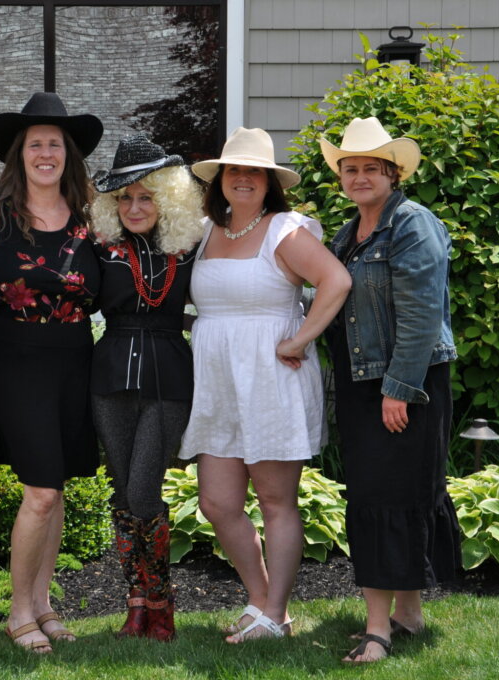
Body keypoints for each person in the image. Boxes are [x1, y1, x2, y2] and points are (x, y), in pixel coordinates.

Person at [178, 127, 352, 643]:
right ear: (221, 179)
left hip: (272, 378)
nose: (244, 179)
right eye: (236, 170)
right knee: (217, 502)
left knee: (276, 501)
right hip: (218, 381)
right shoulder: (207, 230)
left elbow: (336, 281)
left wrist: (299, 340)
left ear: (270, 181)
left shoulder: (285, 230)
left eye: (255, 171)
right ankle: (259, 598)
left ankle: (275, 612)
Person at [319, 117, 461, 663]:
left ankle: (377, 630)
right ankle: (407, 613)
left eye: (370, 168)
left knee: (387, 498)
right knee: (388, 496)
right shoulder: (349, 232)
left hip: (406, 382)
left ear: (393, 173)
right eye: (349, 168)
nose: (358, 177)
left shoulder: (412, 223)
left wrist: (398, 388)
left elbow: (423, 314)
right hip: (365, 383)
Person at [0, 92, 103, 654]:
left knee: (60, 487)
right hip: (15, 357)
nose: (45, 153)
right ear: (18, 156)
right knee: (41, 491)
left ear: (68, 155)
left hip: (75, 358)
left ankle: (45, 604)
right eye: (35, 145)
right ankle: (19, 611)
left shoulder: (94, 219)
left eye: (55, 144)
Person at [88, 134, 203, 641]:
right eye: (125, 198)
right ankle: (137, 606)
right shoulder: (100, 250)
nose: (135, 207)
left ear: (169, 198)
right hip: (109, 376)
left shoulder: (193, 249)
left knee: (143, 490)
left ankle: (161, 601)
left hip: (169, 376)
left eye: (146, 195)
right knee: (122, 493)